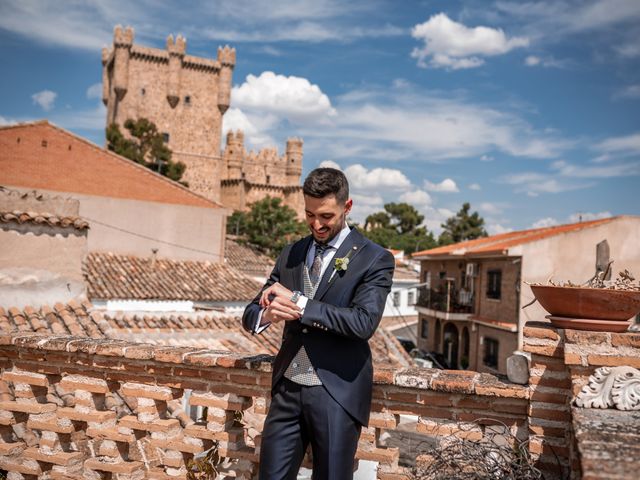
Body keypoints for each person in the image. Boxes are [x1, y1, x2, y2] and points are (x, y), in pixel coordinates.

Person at [242, 167, 395, 480]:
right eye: (309, 214)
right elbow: (251, 311)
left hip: (336, 392)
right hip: (287, 388)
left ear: (347, 207)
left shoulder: (374, 258)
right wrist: (266, 315)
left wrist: (298, 303)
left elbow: (363, 323)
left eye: (325, 215)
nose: (316, 224)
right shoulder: (293, 252)